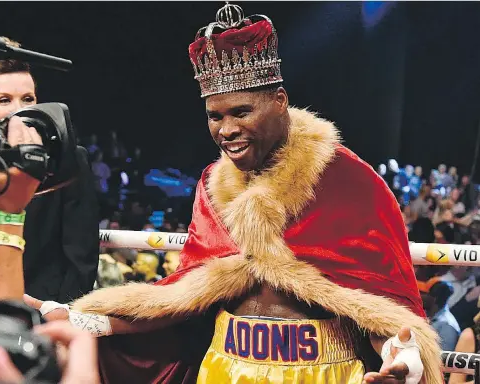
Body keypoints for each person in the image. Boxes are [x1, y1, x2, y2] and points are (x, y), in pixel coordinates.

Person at [27, 4, 441, 384]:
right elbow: (183, 298)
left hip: (321, 374)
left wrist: (401, 355)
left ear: (279, 101)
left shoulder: (349, 181)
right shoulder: (213, 187)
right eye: (215, 116)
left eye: (241, 112)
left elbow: (382, 307)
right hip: (223, 370)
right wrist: (89, 321)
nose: (226, 130)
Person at [0, 120, 99, 384]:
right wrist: (5, 211)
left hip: (32, 305)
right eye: (3, 99)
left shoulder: (67, 163)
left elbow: (80, 250)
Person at [0, 59, 99, 302]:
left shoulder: (68, 158)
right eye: (5, 100)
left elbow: (82, 253)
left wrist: (62, 314)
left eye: (27, 99)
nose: (18, 109)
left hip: (42, 311)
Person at [420, 279, 460, 351]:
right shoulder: (424, 315)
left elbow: (443, 357)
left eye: (424, 293)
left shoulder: (447, 326)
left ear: (435, 298)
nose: (420, 296)